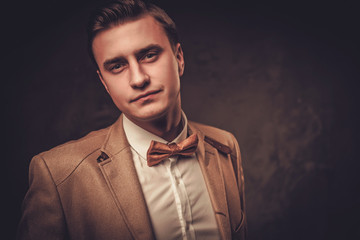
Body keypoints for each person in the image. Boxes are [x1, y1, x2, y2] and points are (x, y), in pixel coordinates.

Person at [17, 0, 247, 239]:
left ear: (179, 58)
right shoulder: (57, 175)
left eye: (149, 55)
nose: (138, 79)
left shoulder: (225, 146)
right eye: (117, 66)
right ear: (104, 82)